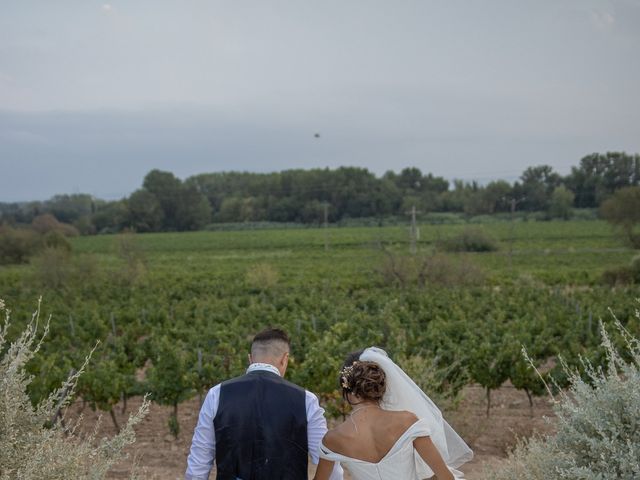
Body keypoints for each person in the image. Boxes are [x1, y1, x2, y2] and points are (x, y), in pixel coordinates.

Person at [185, 328, 343, 480]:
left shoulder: (216, 394)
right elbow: (329, 461)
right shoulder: (306, 400)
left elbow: (197, 467)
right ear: (285, 359)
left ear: (250, 359)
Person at [313, 347, 473, 480]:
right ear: (381, 387)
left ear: (346, 390)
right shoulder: (407, 422)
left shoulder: (332, 439)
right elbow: (445, 477)